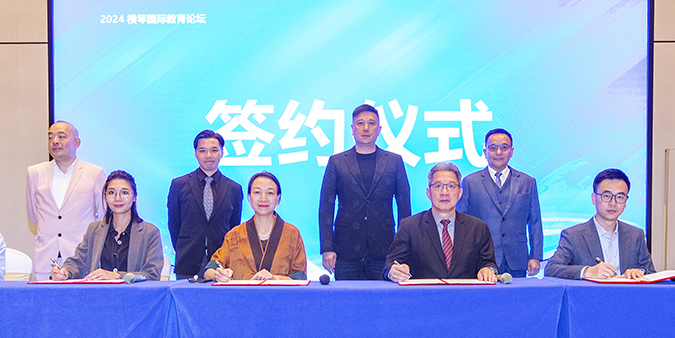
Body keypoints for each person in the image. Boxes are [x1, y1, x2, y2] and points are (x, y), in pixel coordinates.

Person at [319, 104, 411, 280]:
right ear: (352, 129)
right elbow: (326, 208)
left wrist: (402, 249)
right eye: (360, 123)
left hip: (385, 249)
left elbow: (404, 207)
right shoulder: (337, 161)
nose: (366, 128)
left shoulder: (394, 161)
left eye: (371, 123)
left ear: (379, 129)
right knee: (347, 297)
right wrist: (327, 248)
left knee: (383, 296)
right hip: (345, 248)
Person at [385, 162, 498, 283]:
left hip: (465, 293)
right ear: (428, 193)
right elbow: (391, 264)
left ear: (460, 193)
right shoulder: (409, 226)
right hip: (424, 293)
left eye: (451, 186)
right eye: (438, 186)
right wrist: (393, 271)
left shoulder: (478, 228)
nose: (444, 192)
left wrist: (487, 270)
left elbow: (488, 263)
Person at [457, 128, 543, 277]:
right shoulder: (470, 182)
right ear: (485, 152)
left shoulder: (527, 182)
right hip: (480, 259)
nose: (498, 152)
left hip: (517, 258)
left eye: (504, 147)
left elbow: (535, 222)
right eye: (493, 148)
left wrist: (535, 256)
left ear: (512, 151)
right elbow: (461, 223)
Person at [26, 121, 106, 280]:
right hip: (46, 257)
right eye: (50, 137)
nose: (55, 141)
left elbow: (103, 216)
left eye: (61, 136)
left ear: (76, 142)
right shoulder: (35, 172)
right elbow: (34, 214)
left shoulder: (95, 173)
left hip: (81, 257)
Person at [51, 170, 164, 281]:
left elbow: (152, 275)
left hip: (133, 292)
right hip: (98, 292)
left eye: (124, 192)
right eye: (111, 193)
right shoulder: (94, 230)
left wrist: (117, 276)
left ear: (134, 197)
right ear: (105, 197)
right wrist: (66, 272)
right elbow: (78, 262)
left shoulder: (150, 232)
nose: (118, 198)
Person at [544, 168, 654, 279]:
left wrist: (639, 272)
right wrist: (587, 271)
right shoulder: (573, 235)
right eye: (606, 196)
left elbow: (651, 272)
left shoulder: (636, 235)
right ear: (593, 198)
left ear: (626, 201)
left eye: (620, 197)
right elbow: (551, 268)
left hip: (627, 290)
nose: (613, 203)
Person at [204, 171, 307, 282]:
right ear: (249, 197)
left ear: (278, 197)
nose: (263, 198)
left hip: (279, 293)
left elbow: (300, 277)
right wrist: (218, 275)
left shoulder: (292, 234)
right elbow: (209, 271)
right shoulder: (235, 235)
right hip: (242, 293)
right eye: (257, 192)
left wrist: (275, 278)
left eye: (270, 193)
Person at [167, 130, 243, 279]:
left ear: (222, 153)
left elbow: (234, 228)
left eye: (214, 150)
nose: (209, 155)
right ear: (195, 153)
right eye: (202, 150)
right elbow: (174, 225)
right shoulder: (179, 185)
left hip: (222, 266)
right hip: (187, 262)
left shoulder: (234, 188)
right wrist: (182, 249)